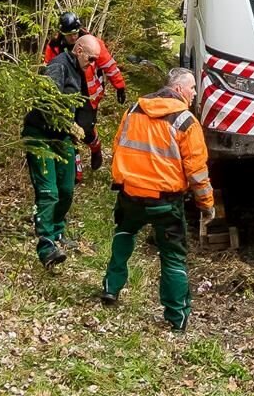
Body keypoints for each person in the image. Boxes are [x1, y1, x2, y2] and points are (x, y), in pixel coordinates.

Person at [101, 67, 215, 332]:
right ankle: (177, 318)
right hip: (165, 202)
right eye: (192, 89)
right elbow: (197, 171)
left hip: (130, 194)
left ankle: (111, 287)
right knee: (173, 256)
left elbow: (118, 146)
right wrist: (206, 205)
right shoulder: (186, 122)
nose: (194, 93)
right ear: (178, 90)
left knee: (124, 234)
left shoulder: (133, 111)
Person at [24, 33, 99, 266]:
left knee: (66, 189)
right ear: (78, 50)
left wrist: (86, 136)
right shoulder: (58, 66)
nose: (93, 63)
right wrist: (68, 124)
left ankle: (57, 233)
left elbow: (81, 106)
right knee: (49, 192)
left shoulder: (78, 70)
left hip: (62, 136)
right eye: (92, 58)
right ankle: (45, 245)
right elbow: (48, 101)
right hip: (41, 135)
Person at [43, 11, 127, 180]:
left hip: (89, 93)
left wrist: (119, 85)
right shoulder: (54, 46)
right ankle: (75, 167)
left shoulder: (92, 43)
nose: (73, 38)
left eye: (75, 33)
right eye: (69, 35)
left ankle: (95, 147)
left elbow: (108, 65)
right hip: (68, 91)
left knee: (85, 127)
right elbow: (49, 69)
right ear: (62, 33)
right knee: (69, 127)